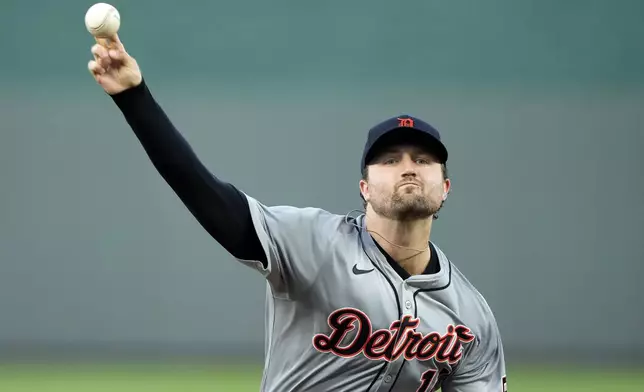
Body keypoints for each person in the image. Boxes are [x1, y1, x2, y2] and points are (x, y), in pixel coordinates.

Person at [88, 34, 507, 392]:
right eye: (390, 160)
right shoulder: (311, 243)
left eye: (423, 159)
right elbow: (202, 191)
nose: (408, 167)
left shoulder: (471, 315)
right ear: (364, 188)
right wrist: (133, 96)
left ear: (445, 188)